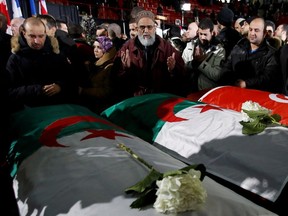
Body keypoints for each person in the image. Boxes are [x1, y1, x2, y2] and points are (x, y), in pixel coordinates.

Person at [6, 17, 79, 111]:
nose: (37, 41)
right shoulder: (15, 59)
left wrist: (60, 86)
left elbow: (73, 82)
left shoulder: (56, 54)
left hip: (59, 110)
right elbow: (9, 91)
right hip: (29, 113)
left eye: (41, 36)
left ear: (46, 34)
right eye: (32, 36)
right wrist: (38, 90)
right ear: (24, 33)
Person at [112, 10, 186, 100]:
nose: (146, 31)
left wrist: (173, 70)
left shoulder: (167, 48)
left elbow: (181, 77)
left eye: (149, 27)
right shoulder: (127, 48)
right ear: (137, 29)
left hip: (159, 99)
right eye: (142, 27)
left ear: (154, 28)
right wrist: (125, 68)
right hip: (135, 100)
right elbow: (115, 80)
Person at [220, 17, 282, 93]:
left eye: (256, 30)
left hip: (256, 96)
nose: (252, 33)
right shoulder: (238, 47)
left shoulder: (271, 54)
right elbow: (226, 67)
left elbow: (268, 77)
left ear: (264, 33)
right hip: (233, 91)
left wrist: (246, 83)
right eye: (250, 29)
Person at [185, 17, 226, 92]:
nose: (202, 37)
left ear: (212, 33)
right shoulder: (190, 46)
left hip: (207, 93)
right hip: (189, 90)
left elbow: (217, 75)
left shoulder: (219, 50)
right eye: (201, 34)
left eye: (205, 34)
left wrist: (200, 63)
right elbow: (183, 66)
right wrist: (194, 63)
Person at [79, 36, 117, 113]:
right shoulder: (96, 64)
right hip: (95, 106)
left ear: (106, 49)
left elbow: (106, 91)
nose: (95, 50)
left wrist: (84, 91)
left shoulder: (109, 66)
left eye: (99, 47)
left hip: (105, 109)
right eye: (94, 47)